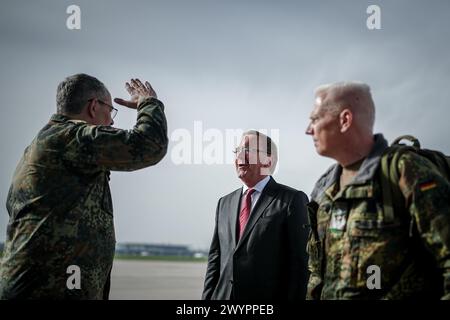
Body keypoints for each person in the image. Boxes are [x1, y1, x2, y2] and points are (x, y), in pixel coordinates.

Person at [0, 74, 168, 299]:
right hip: (50, 288)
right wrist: (149, 103)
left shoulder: (47, 143)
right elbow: (149, 145)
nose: (111, 121)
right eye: (110, 110)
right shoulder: (72, 138)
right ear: (93, 106)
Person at [305, 81, 450, 299]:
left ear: (345, 120)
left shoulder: (405, 171)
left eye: (315, 119)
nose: (309, 130)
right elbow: (317, 273)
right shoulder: (324, 188)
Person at [202, 130, 309, 300]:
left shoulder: (292, 200)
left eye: (248, 151)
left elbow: (300, 266)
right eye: (237, 151)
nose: (240, 156)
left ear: (268, 160)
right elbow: (215, 260)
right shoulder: (224, 203)